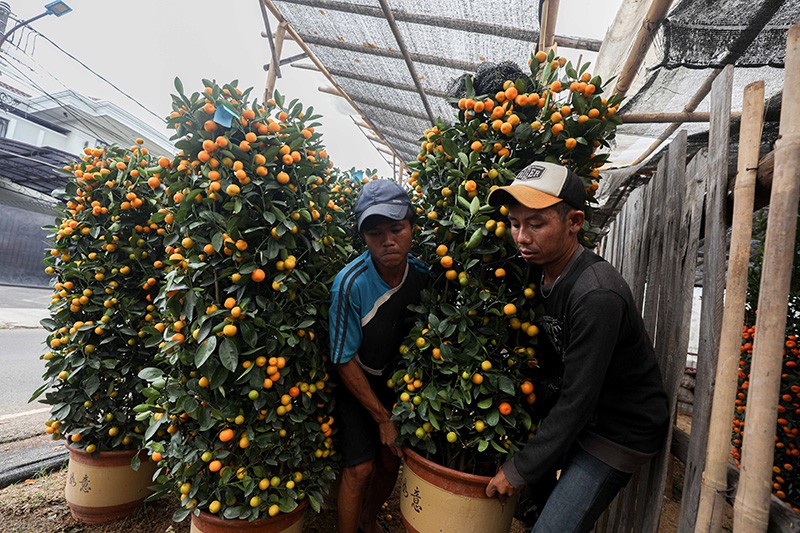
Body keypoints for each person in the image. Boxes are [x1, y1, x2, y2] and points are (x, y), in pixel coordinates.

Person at [484, 161, 670, 532]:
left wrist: (519, 469)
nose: (521, 237)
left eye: (536, 223)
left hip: (618, 430)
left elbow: (578, 399)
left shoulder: (596, 295)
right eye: (515, 223)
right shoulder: (540, 269)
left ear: (574, 222)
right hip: (584, 414)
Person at [329, 179, 427, 533]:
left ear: (412, 228)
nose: (387, 241)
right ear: (364, 238)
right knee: (360, 469)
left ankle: (368, 521)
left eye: (396, 229)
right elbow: (342, 358)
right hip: (356, 382)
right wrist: (383, 418)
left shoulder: (423, 276)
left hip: (397, 382)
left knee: (390, 461)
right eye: (375, 234)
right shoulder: (350, 284)